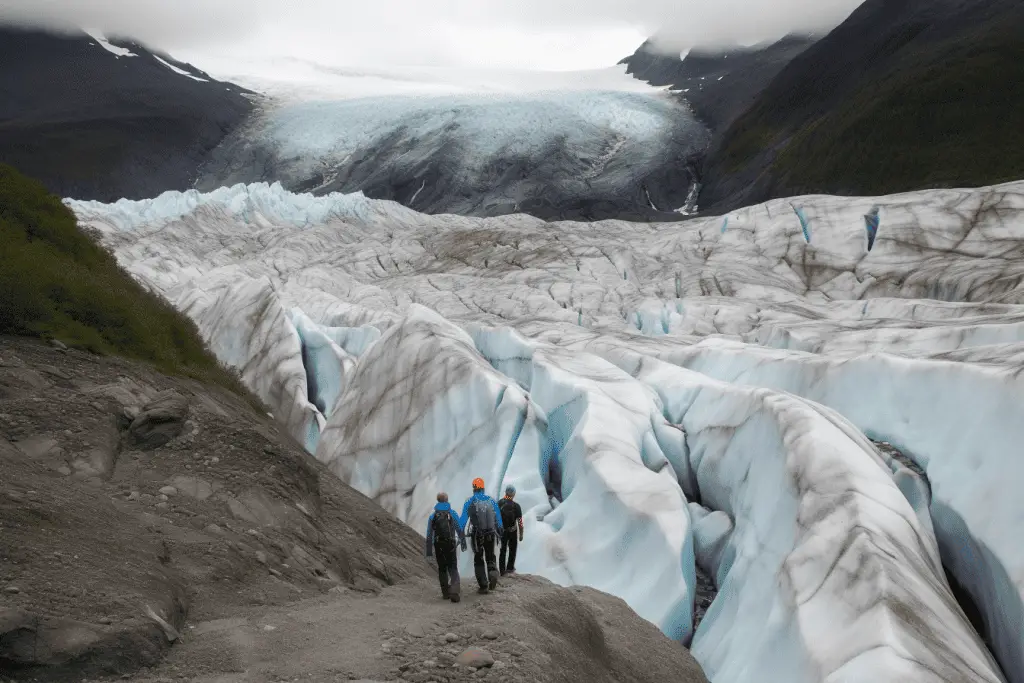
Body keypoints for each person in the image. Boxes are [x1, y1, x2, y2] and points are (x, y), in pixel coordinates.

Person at [459, 477, 503, 593]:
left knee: (478, 558)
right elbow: (498, 518)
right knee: (490, 555)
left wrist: (461, 536)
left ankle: (483, 586)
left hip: (477, 535)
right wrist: (500, 532)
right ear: (483, 488)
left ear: (474, 489)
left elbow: (462, 521)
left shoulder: (469, 502)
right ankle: (492, 572)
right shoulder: (491, 501)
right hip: (491, 533)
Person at [425, 492, 466, 603]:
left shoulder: (433, 516)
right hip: (450, 544)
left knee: (442, 568)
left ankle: (445, 593)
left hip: (439, 545)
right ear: (447, 500)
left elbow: (429, 534)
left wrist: (429, 551)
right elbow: (459, 528)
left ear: (438, 501)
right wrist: (463, 542)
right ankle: (454, 591)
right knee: (453, 567)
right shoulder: (452, 513)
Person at [498, 485, 524, 575]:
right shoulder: (517, 506)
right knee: (512, 549)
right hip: (513, 530)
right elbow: (520, 522)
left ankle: (502, 570)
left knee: (503, 550)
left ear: (505, 493)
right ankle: (510, 568)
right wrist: (521, 534)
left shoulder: (499, 503)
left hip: (502, 531)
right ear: (513, 494)